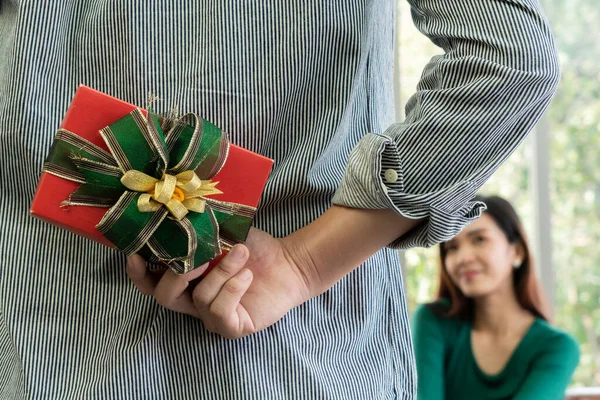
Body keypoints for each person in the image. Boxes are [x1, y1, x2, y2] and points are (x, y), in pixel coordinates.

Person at [0, 1, 560, 398]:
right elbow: (511, 58)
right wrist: (304, 263)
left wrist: (306, 264)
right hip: (298, 362)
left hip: (49, 352)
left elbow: (511, 60)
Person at [412, 195, 580, 400]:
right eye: (452, 247)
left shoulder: (557, 347)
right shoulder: (433, 322)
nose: (463, 257)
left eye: (479, 239)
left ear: (517, 251)